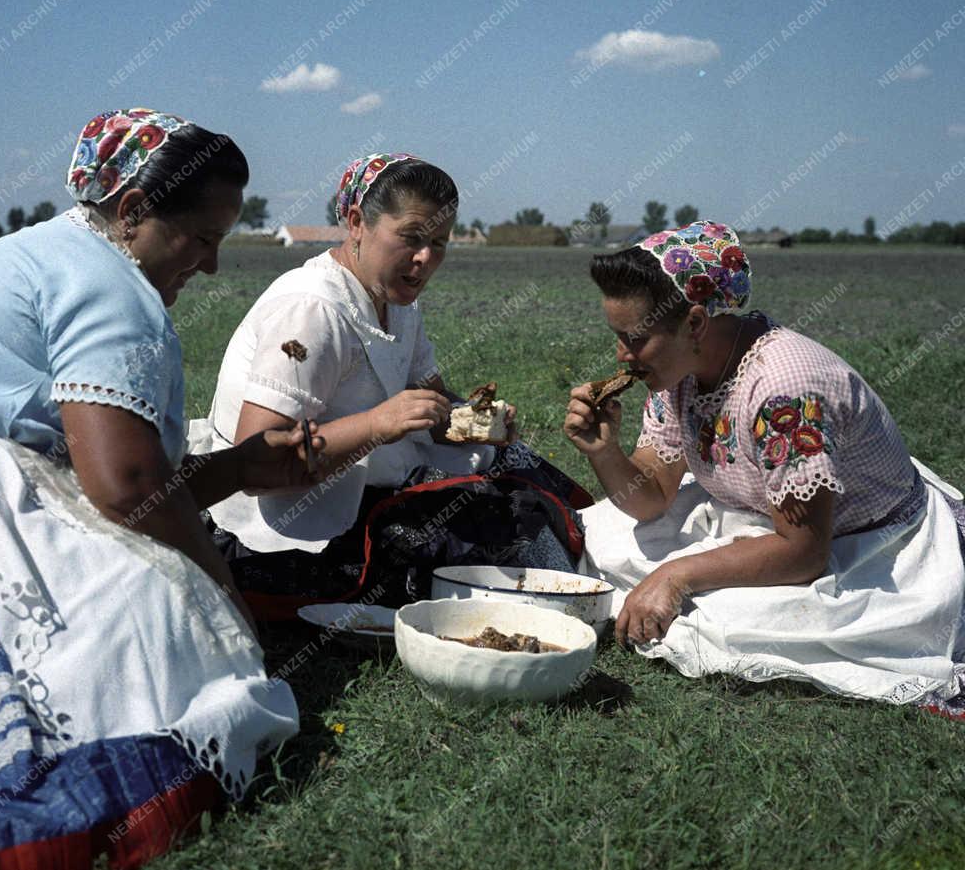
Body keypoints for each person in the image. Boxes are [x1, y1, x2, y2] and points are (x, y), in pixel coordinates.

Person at [0, 108, 321, 868]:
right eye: (203, 239)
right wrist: (224, 597)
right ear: (134, 211)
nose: (211, 265)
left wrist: (240, 468)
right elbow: (125, 486)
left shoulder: (47, 251)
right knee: (149, 618)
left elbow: (112, 475)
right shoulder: (107, 280)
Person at [566, 220, 965, 713]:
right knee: (599, 533)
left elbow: (804, 551)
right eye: (618, 338)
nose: (622, 356)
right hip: (754, 515)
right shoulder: (676, 374)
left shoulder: (783, 390)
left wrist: (676, 575)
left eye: (635, 340)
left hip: (863, 543)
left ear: (694, 323)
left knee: (728, 621)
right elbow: (651, 501)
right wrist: (604, 451)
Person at [191, 153, 589, 617]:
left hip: (358, 489)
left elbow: (434, 405)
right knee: (483, 523)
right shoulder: (311, 312)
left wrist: (478, 422)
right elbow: (256, 465)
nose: (425, 259)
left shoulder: (397, 304)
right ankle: (564, 597)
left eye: (440, 243)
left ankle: (576, 578)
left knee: (514, 464)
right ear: (357, 223)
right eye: (412, 238)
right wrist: (378, 424)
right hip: (294, 526)